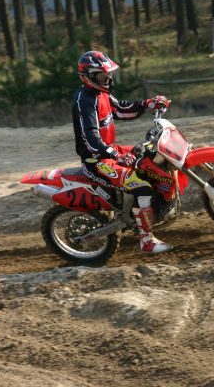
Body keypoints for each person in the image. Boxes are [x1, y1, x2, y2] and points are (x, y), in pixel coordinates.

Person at [72, 50, 172, 254]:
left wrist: (148, 103)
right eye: (103, 75)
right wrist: (117, 156)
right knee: (141, 186)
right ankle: (146, 240)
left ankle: (156, 208)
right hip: (97, 162)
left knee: (151, 156)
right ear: (89, 76)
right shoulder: (84, 100)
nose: (108, 79)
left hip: (110, 151)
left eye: (108, 74)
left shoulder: (101, 94)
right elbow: (91, 140)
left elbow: (121, 110)